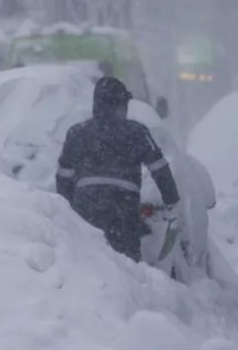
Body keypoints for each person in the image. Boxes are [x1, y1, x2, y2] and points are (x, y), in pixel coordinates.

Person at [56, 77, 181, 262]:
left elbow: (63, 177)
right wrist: (172, 201)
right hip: (123, 206)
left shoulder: (77, 133)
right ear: (121, 104)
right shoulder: (137, 132)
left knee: (87, 260)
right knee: (126, 264)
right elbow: (159, 169)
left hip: (86, 206)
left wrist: (68, 208)